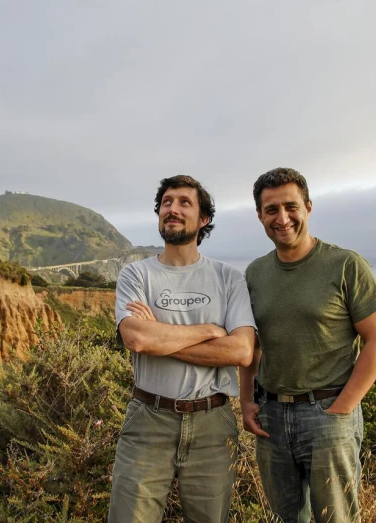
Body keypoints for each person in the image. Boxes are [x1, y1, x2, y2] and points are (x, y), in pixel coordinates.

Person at [239, 168, 376, 523]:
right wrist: (246, 400)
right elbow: (252, 345)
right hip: (271, 417)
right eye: (272, 210)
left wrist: (342, 408)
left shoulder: (345, 265)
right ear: (260, 215)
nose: (283, 218)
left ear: (307, 207)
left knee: (335, 518)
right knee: (284, 518)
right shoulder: (255, 273)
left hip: (327, 412)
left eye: (291, 207)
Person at [108, 175, 257, 523]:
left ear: (203, 219)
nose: (172, 209)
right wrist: (208, 331)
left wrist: (159, 336)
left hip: (213, 423)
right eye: (167, 202)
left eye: (184, 202)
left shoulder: (228, 278)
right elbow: (137, 339)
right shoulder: (135, 275)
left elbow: (241, 351)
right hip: (148, 419)